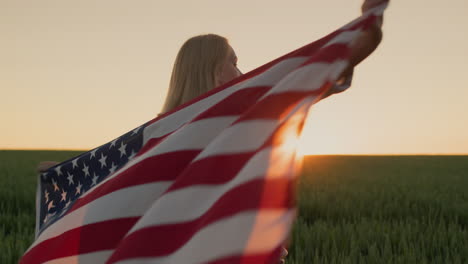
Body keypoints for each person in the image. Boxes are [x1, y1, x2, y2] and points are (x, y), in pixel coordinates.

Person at [37, 1, 384, 262]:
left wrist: (64, 178)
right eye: (233, 61)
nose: (241, 69)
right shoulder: (237, 114)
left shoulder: (154, 138)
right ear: (217, 73)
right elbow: (314, 76)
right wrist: (368, 25)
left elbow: (115, 187)